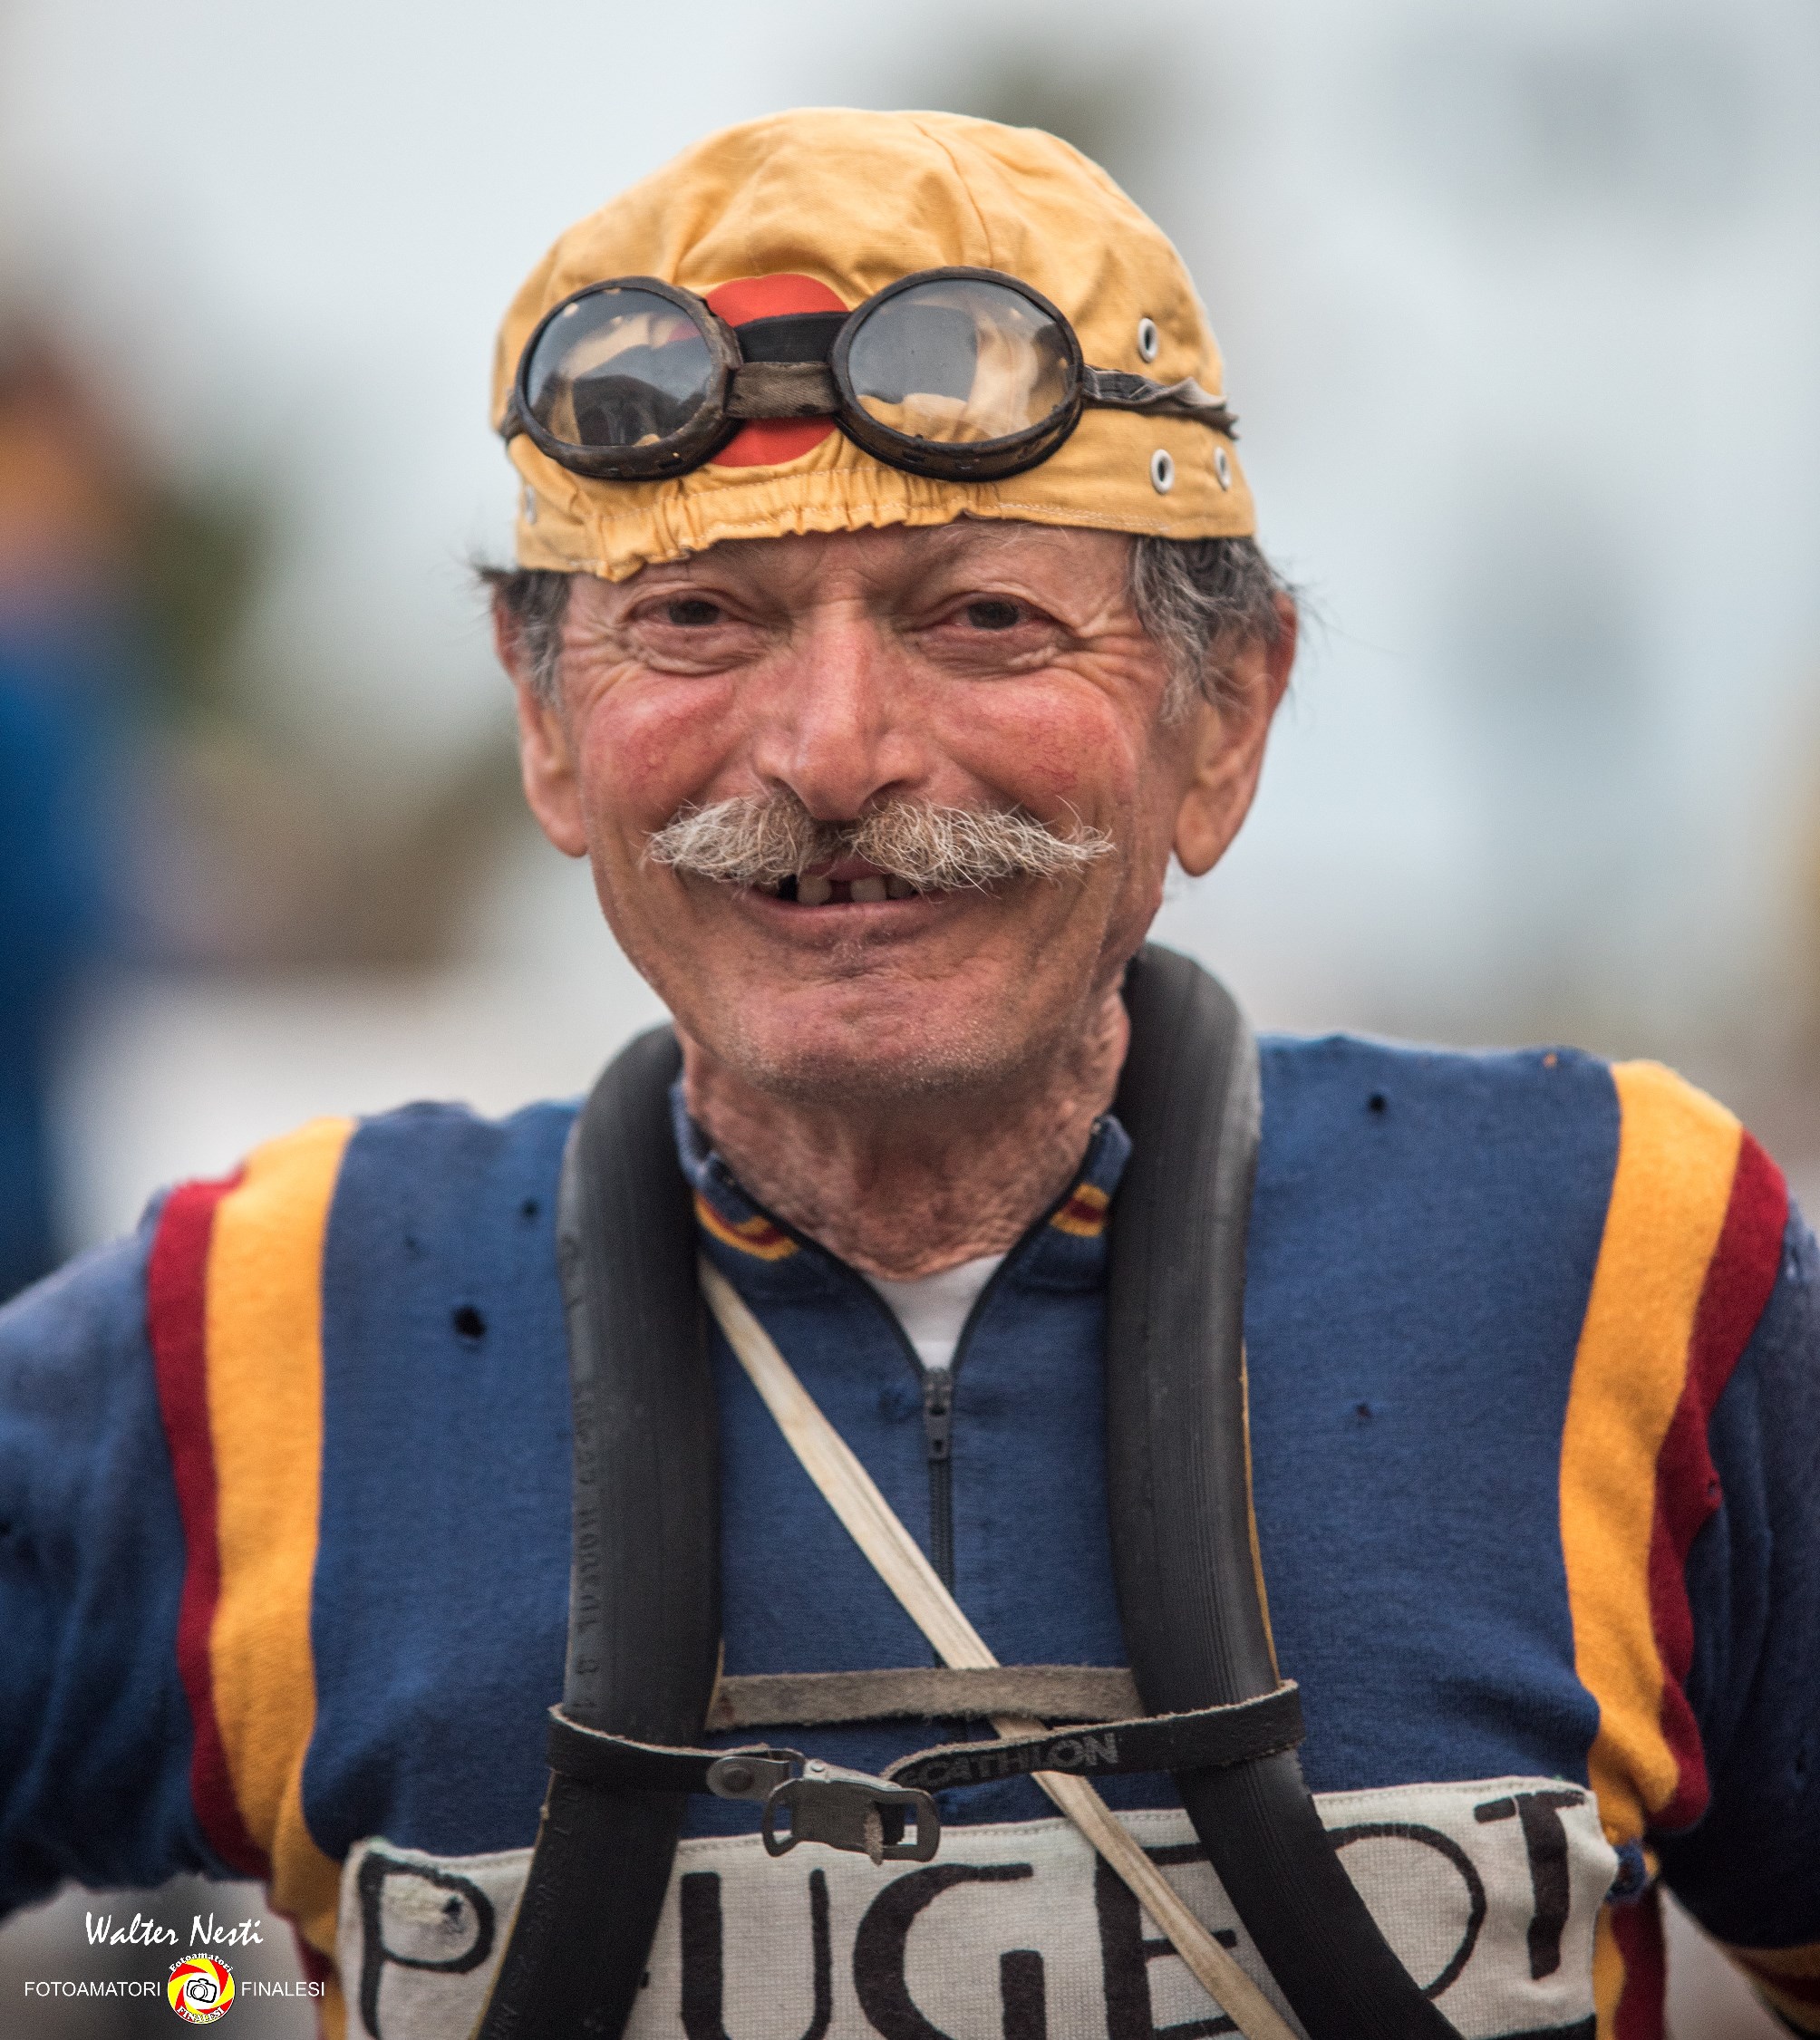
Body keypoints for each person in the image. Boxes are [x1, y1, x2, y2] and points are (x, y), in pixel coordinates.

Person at [2, 109, 1815, 2040]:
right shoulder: (253, 1338)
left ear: (1224, 718)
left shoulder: (1632, 1273)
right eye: (696, 617)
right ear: (544, 722)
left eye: (981, 620)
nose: (834, 750)